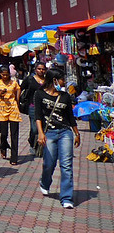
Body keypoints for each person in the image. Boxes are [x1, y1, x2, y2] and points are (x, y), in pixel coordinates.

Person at [35, 68, 80, 209]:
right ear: (55, 80)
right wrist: (41, 133)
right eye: (62, 79)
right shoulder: (40, 94)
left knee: (66, 165)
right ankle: (45, 182)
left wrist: (76, 133)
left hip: (65, 132)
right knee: (49, 163)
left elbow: (70, 117)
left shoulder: (65, 96)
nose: (64, 82)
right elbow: (38, 116)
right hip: (49, 133)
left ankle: (66, 197)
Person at [0, 66, 21, 165]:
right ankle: (3, 146)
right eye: (3, 74)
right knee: (3, 132)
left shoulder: (14, 83)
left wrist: (17, 100)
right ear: (0, 74)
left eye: (7, 74)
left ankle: (14, 157)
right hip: (2, 109)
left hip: (13, 108)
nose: (5, 76)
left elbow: (18, 90)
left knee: (14, 134)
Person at [21, 62, 47, 152]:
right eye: (39, 69)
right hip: (32, 107)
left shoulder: (47, 80)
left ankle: (41, 146)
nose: (41, 71)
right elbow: (20, 88)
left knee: (44, 127)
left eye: (43, 69)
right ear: (35, 70)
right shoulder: (30, 79)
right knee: (34, 128)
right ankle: (32, 142)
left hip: (44, 107)